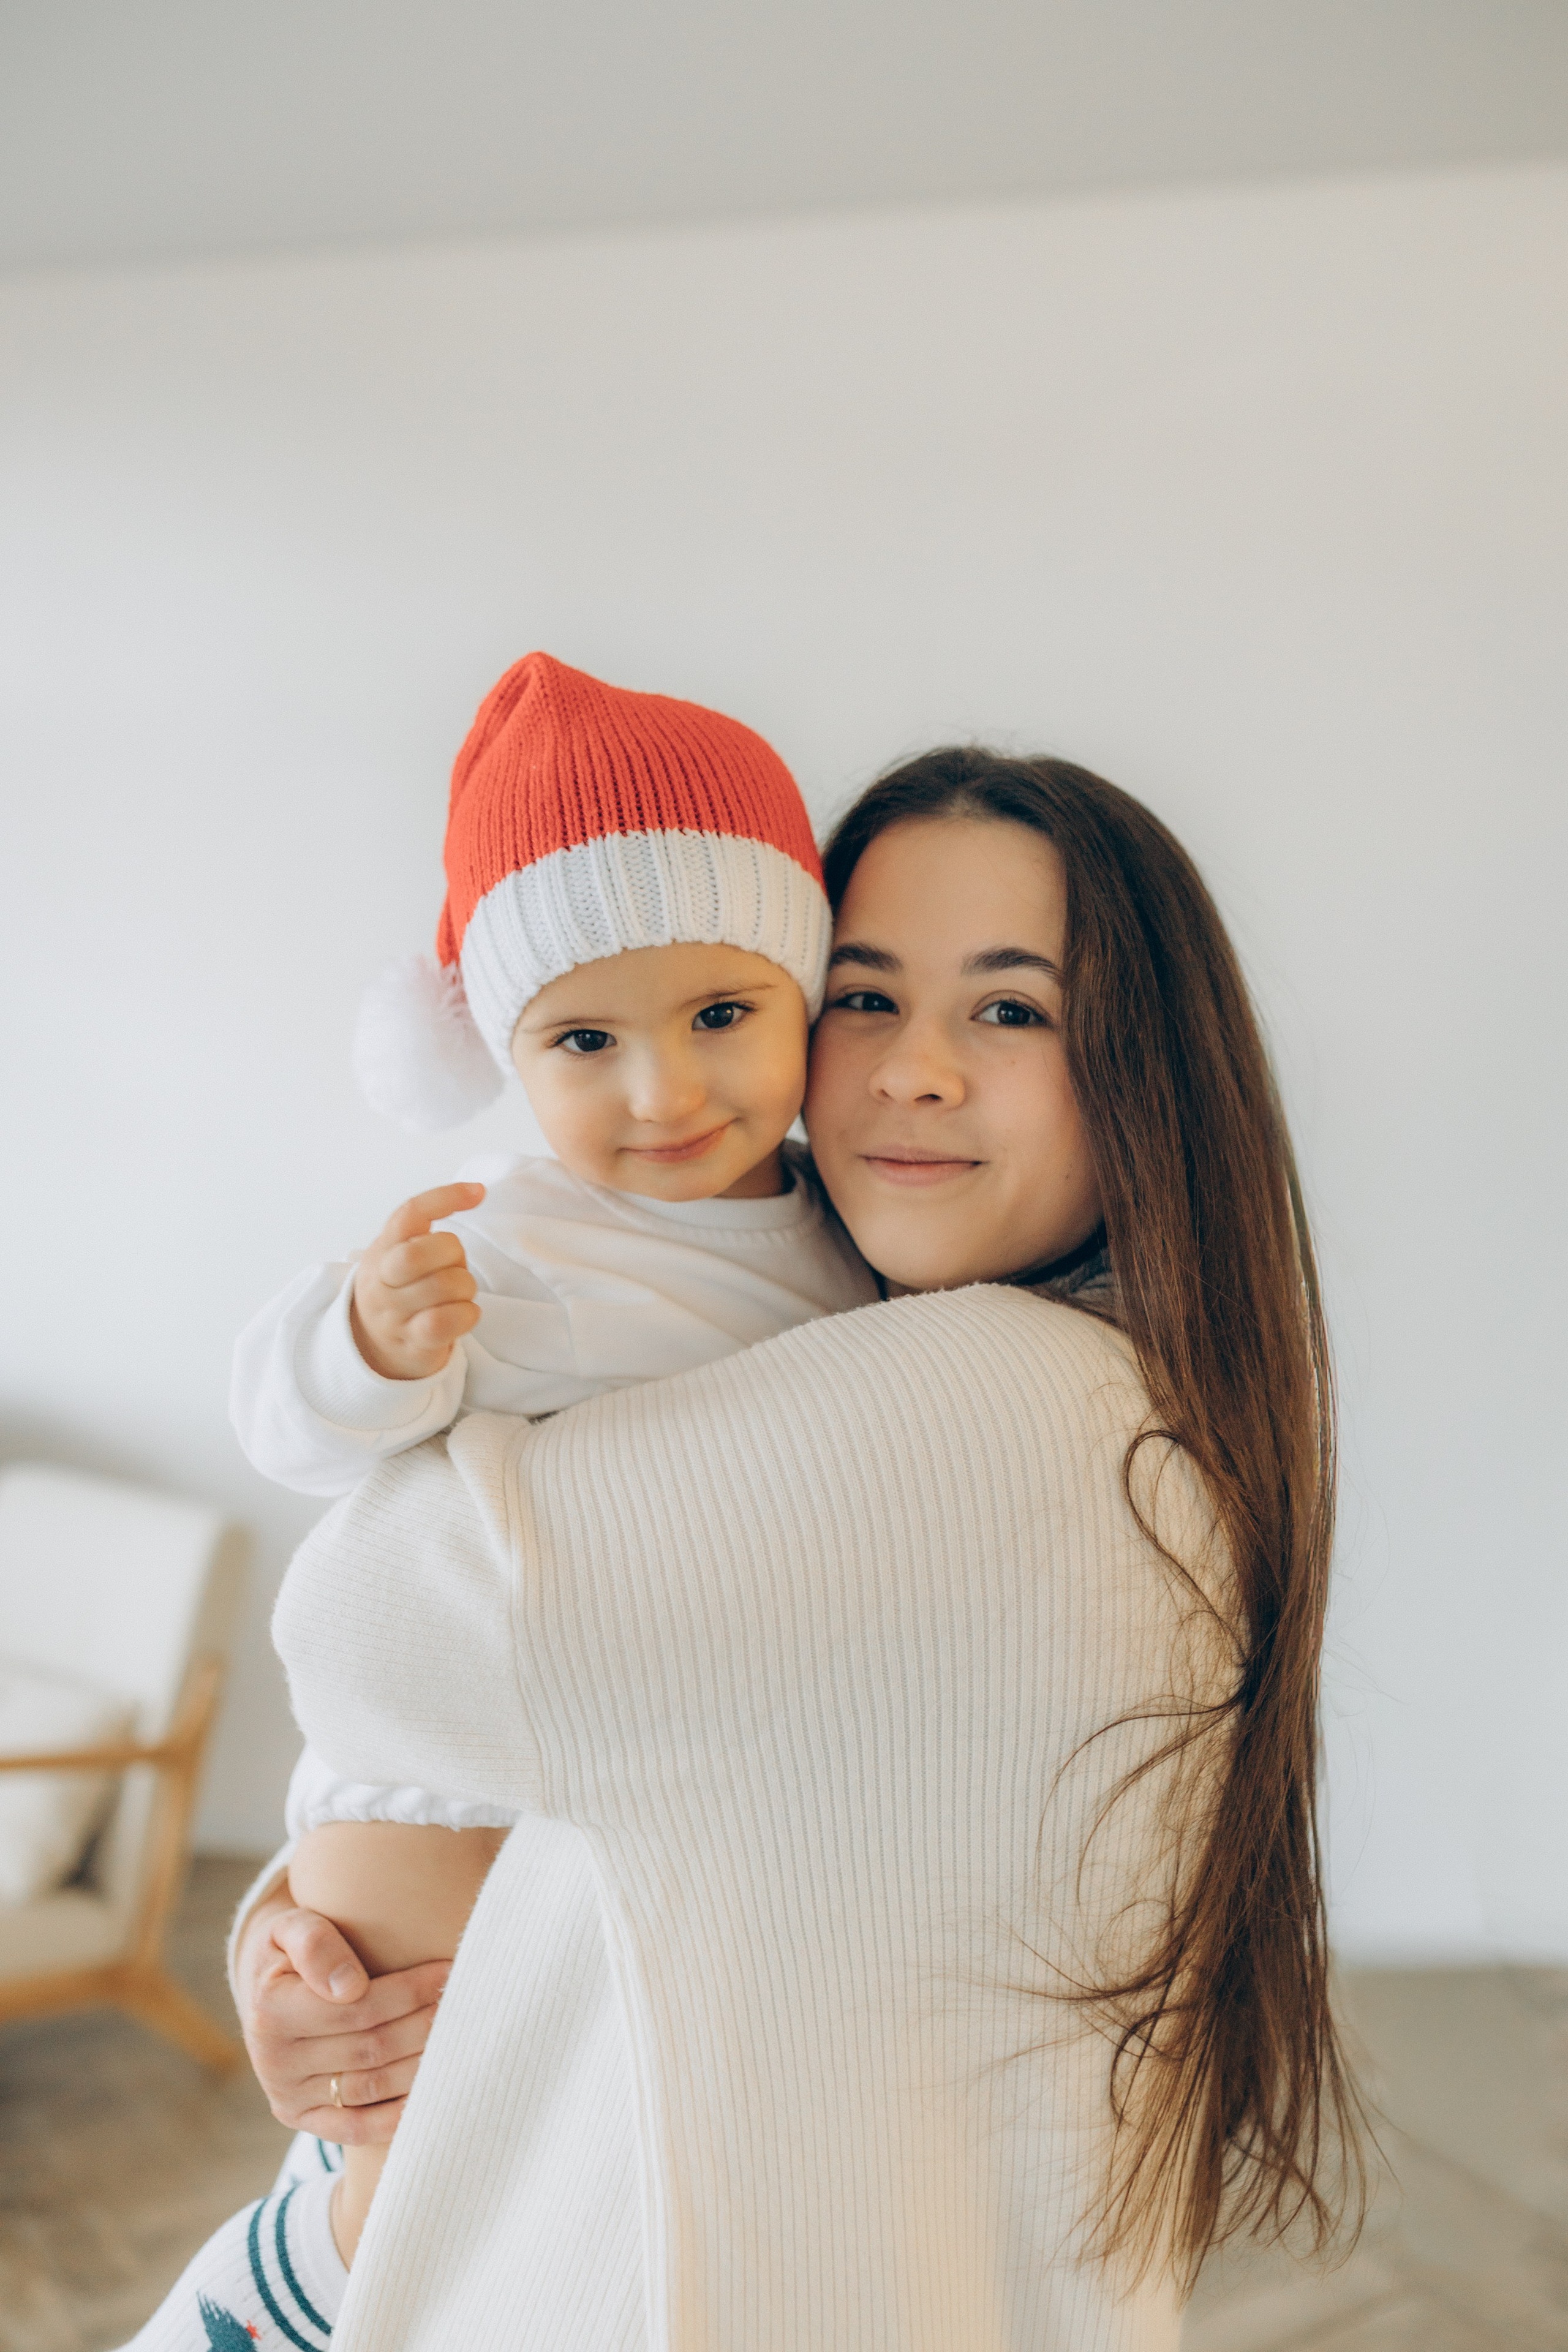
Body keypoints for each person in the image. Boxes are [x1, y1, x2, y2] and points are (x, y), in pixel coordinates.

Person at [203, 744, 1357, 2350]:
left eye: (1013, 1010)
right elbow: (662, 1792)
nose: (916, 1069)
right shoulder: (1108, 1400)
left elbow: (366, 1625)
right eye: (869, 999)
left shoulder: (1003, 1396)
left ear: (1151, 1070)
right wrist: (316, 1954)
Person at [149, 652, 879, 2335]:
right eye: (584, 1040)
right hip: (419, 1808)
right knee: (410, 2147)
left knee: (524, 2161)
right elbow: (285, 1422)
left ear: (801, 987)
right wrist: (362, 1340)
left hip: (604, 1792)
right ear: (497, 1043)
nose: (662, 1093)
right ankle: (286, 2298)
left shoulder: (846, 1243)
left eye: (719, 1015)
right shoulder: (513, 1245)